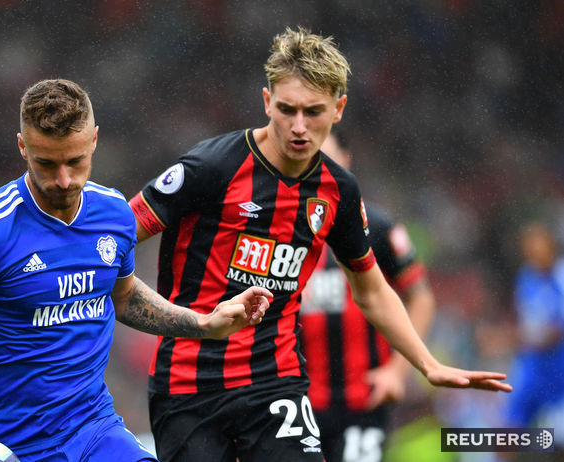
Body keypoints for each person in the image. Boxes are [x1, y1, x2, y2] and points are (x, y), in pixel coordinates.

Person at [128, 26, 511, 462]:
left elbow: (371, 290)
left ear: (339, 108)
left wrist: (427, 364)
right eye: (287, 109)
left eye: (313, 112)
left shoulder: (338, 190)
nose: (298, 127)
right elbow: (115, 238)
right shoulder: (212, 166)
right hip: (187, 384)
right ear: (267, 101)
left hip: (275, 382)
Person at [0, 79, 273, 462]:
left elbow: (123, 295)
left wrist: (203, 324)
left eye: (75, 161)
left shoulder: (114, 213)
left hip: (92, 430)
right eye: (46, 164)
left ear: (94, 140)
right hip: (4, 447)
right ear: (23, 147)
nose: (64, 179)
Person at [299, 130, 435, 462]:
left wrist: (398, 371)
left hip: (363, 404)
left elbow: (421, 299)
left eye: (327, 158)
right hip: (294, 406)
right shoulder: (276, 230)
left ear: (346, 162)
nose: (319, 169)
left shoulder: (377, 227)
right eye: (308, 161)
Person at [505, 222, 564, 431]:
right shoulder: (526, 277)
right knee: (508, 431)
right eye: (528, 248)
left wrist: (515, 337)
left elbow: (555, 334)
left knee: (557, 438)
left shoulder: (560, 278)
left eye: (537, 246)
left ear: (551, 247)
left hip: (559, 367)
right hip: (533, 366)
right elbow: (525, 318)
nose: (532, 253)